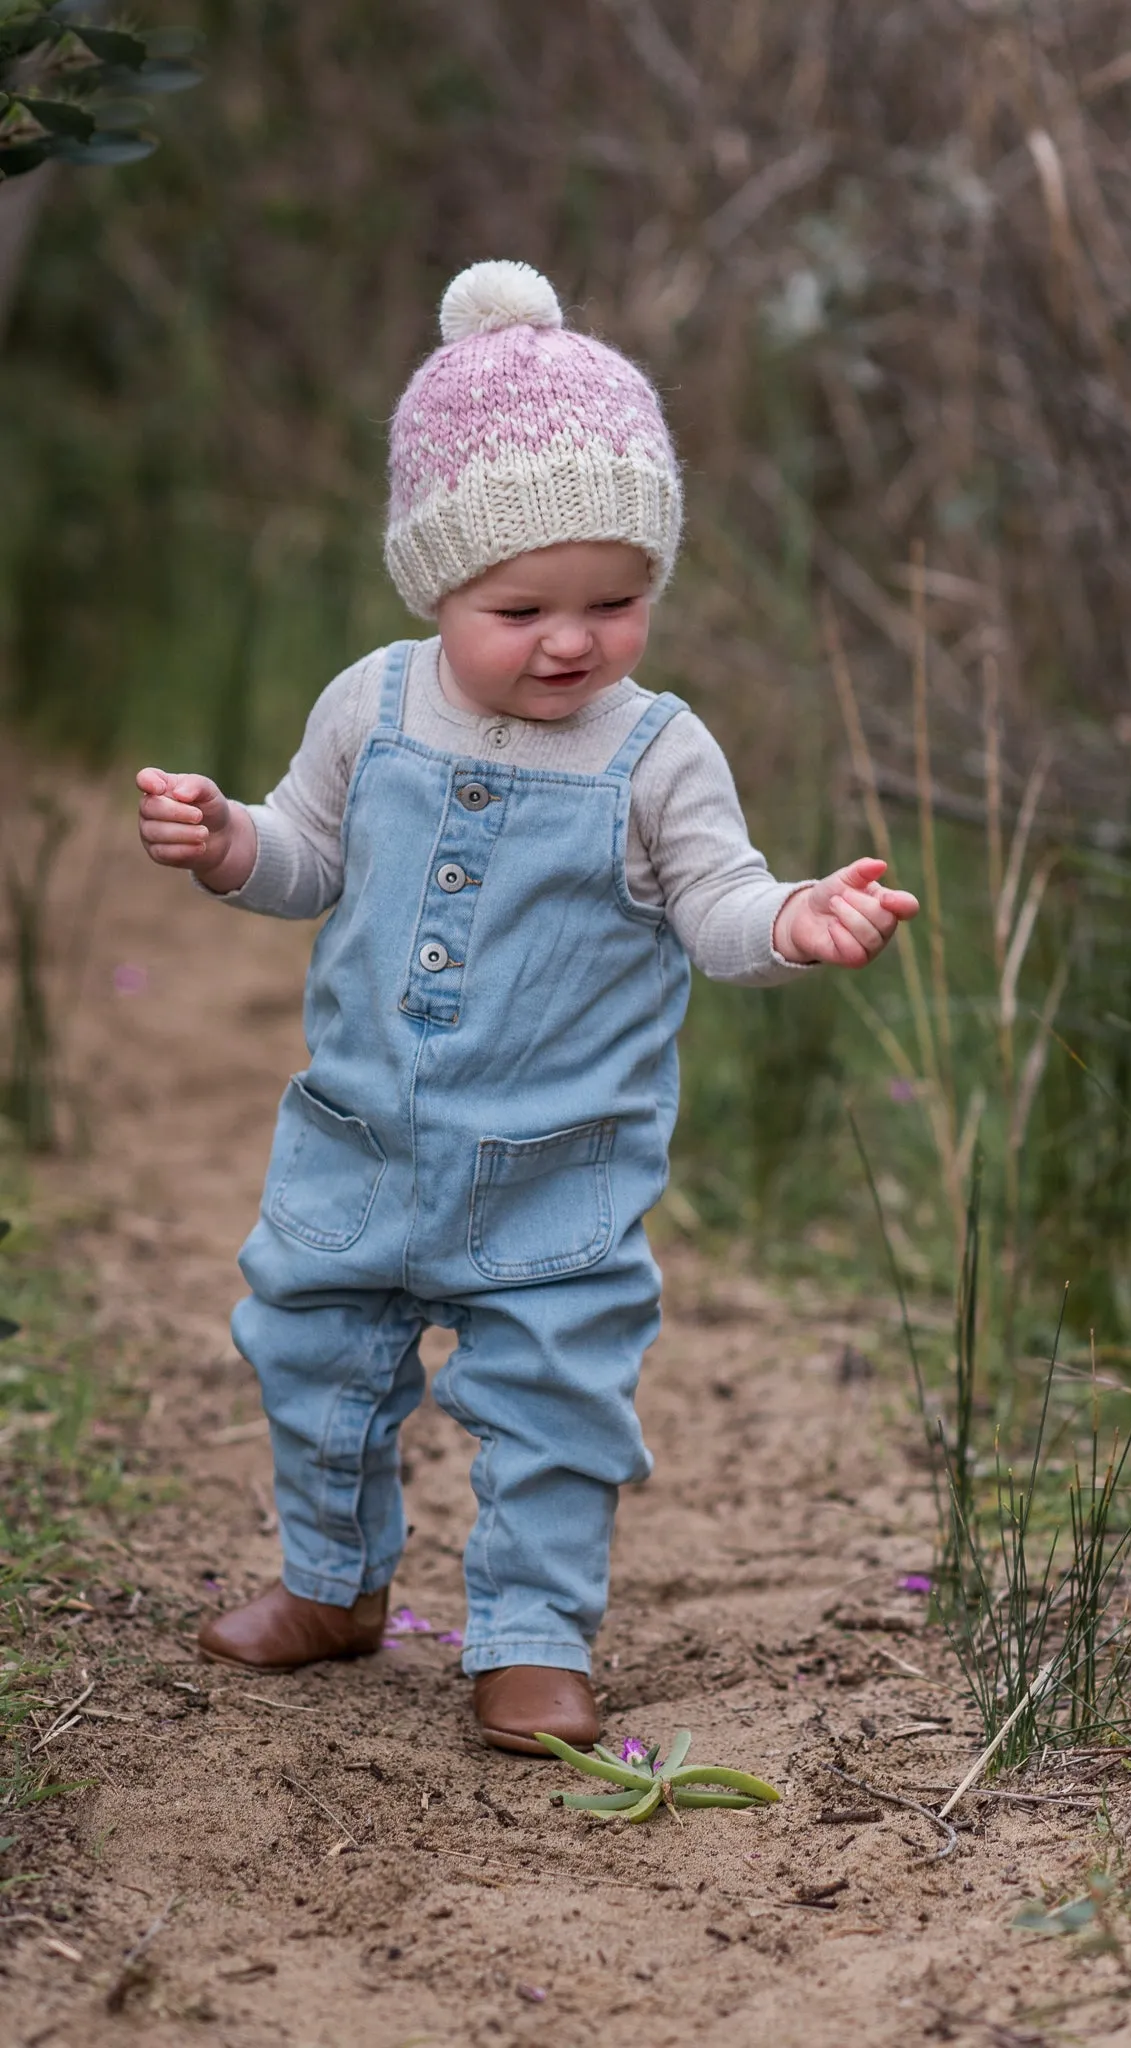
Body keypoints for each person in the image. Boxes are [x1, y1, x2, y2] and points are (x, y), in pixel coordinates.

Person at [134, 261, 918, 1756]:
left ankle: (530, 1638)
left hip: (557, 1178)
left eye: (616, 602)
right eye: (523, 607)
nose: (572, 640)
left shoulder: (660, 754)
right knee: (311, 1368)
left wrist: (798, 921)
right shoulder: (367, 704)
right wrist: (231, 840)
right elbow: (308, 857)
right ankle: (334, 1585)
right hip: (356, 1148)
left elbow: (720, 909)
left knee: (555, 1409)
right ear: (434, 583)